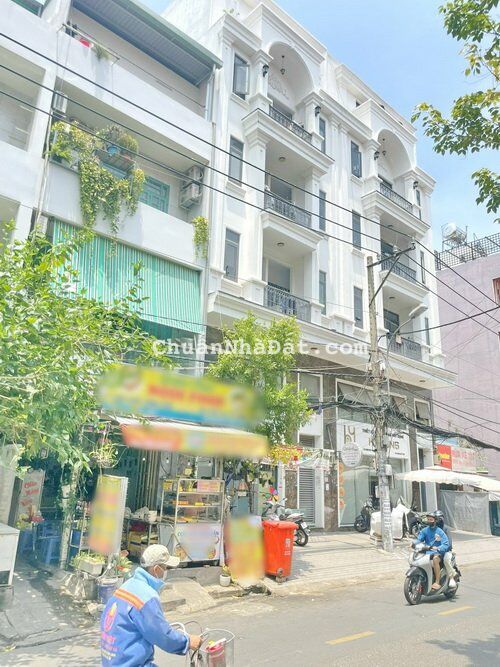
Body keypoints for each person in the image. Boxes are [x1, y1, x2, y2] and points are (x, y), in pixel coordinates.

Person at [100, 545, 201, 666]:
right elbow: (162, 635)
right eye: (166, 568)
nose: (166, 571)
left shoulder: (126, 586)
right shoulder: (146, 596)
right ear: (157, 569)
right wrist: (187, 642)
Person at [417, 511, 449, 591]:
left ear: (435, 520)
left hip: (438, 553)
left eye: (431, 520)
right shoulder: (424, 530)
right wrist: (413, 544)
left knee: (435, 559)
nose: (429, 521)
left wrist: (438, 548)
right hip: (427, 552)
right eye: (428, 519)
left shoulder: (440, 531)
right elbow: (418, 539)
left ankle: (437, 582)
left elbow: (446, 544)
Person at [434, 509, 457, 589]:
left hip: (446, 551)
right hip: (435, 551)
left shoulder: (446, 529)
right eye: (436, 519)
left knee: (445, 560)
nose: (437, 520)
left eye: (439, 518)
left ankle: (451, 577)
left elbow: (449, 543)